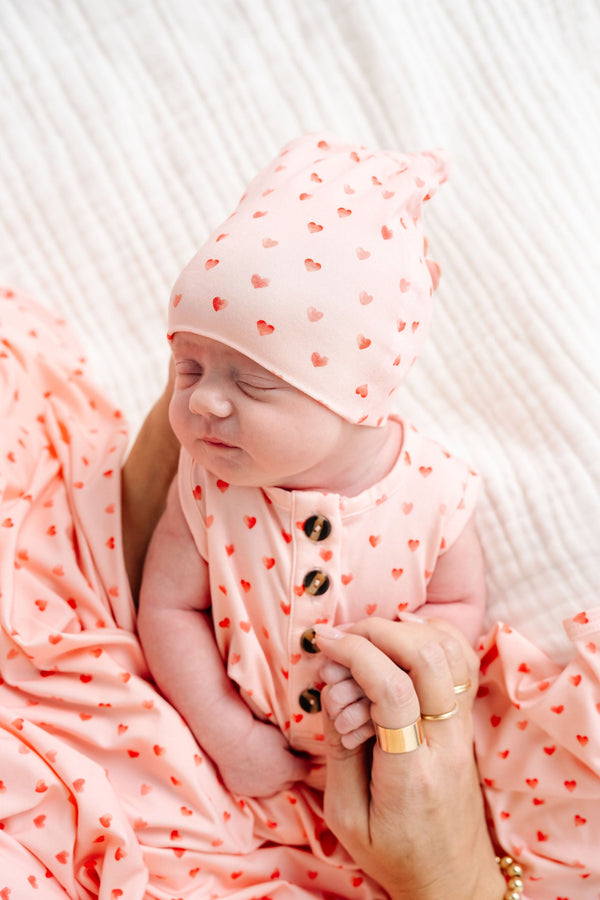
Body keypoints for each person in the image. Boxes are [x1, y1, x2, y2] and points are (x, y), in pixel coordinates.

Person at [137, 131, 487, 808]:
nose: (205, 400)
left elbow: (458, 606)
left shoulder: (436, 493)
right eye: (190, 368)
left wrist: (412, 672)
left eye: (253, 383)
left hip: (402, 770)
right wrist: (229, 735)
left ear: (359, 395)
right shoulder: (209, 488)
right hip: (237, 769)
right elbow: (168, 609)